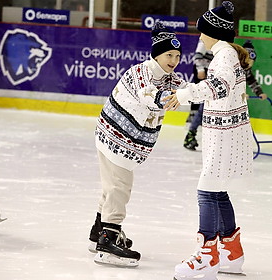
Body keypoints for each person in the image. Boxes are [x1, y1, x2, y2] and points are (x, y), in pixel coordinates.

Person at [163, 2, 254, 279]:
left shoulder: (223, 56)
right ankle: (231, 252)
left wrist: (185, 95)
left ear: (214, 32)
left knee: (206, 192)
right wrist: (187, 89)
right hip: (227, 134)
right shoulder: (225, 54)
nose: (200, 36)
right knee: (216, 192)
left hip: (225, 137)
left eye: (203, 32)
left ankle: (206, 257)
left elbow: (219, 86)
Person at [88, 22, 187, 267]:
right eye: (169, 55)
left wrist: (203, 92)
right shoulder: (141, 72)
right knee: (120, 187)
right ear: (157, 54)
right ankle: (108, 241)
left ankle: (98, 232)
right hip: (116, 137)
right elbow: (148, 95)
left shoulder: (170, 78)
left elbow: (188, 91)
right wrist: (172, 98)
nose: (174, 60)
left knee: (110, 187)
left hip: (119, 139)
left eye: (177, 55)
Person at [183, 39, 268, 151]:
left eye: (252, 62)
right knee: (202, 112)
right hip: (215, 95)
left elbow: (251, 81)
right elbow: (228, 84)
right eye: (248, 61)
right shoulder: (232, 67)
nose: (249, 65)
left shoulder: (245, 69)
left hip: (225, 102)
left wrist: (260, 92)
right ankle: (191, 134)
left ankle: (226, 140)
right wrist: (240, 94)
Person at [183, 40, 213, 150]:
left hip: (209, 73)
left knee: (203, 104)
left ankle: (191, 132)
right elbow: (198, 55)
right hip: (203, 72)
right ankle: (190, 132)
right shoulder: (207, 38)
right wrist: (200, 70)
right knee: (201, 104)